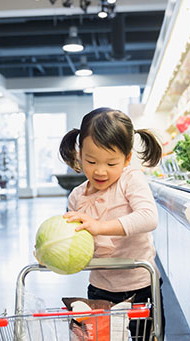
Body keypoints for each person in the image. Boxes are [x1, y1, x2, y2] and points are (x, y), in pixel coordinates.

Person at [58, 107, 165, 340]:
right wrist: (53, 251)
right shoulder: (77, 197)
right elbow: (78, 241)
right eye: (91, 160)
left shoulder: (130, 179)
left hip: (141, 288)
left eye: (111, 163)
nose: (100, 170)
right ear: (79, 153)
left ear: (127, 159)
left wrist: (99, 226)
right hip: (99, 290)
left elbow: (149, 217)